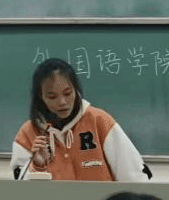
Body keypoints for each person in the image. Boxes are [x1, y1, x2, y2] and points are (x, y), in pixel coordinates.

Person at [11, 58, 152, 181]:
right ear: (40, 97)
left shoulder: (99, 121)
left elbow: (134, 177)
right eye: (52, 97)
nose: (62, 102)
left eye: (68, 93)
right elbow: (21, 191)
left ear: (76, 90)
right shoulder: (28, 134)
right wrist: (38, 166)